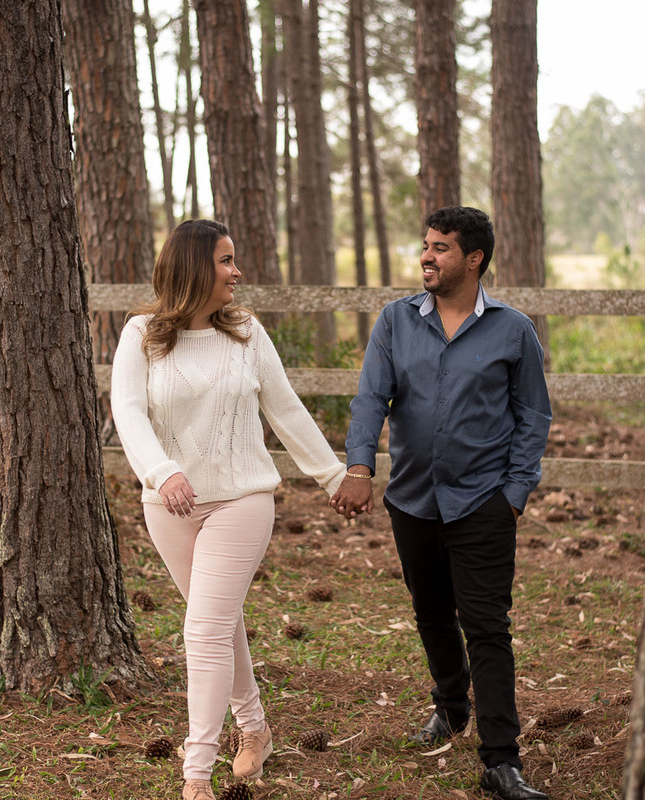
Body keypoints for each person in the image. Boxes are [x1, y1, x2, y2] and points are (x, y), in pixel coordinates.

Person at [110, 219, 348, 800]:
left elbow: (286, 410)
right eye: (225, 261)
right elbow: (128, 412)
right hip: (168, 504)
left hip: (242, 498)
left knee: (206, 628)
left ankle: (195, 775)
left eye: (234, 260)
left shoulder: (246, 332)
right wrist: (161, 473)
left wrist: (335, 476)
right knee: (220, 623)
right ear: (193, 268)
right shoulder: (140, 334)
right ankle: (256, 730)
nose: (236, 272)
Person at [330, 207, 552, 800]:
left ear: (474, 258)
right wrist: (359, 467)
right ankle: (451, 707)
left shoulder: (513, 330)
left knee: (487, 627)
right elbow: (370, 399)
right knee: (431, 614)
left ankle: (501, 760)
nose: (427, 256)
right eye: (425, 245)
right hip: (412, 500)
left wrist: (514, 493)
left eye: (441, 248)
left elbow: (533, 416)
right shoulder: (396, 321)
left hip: (484, 502)